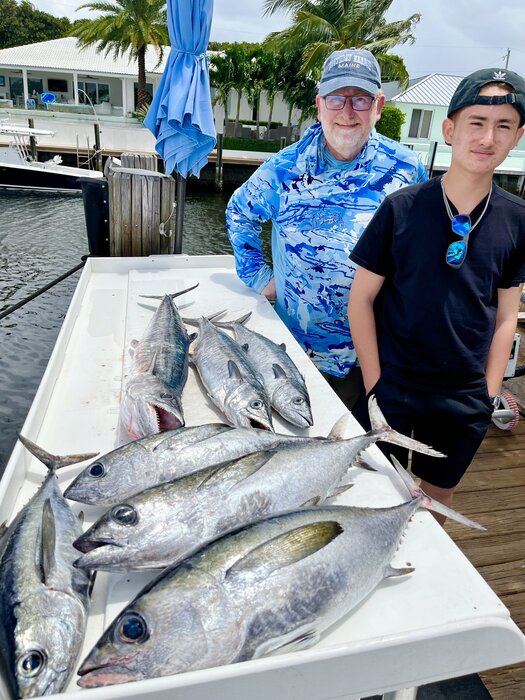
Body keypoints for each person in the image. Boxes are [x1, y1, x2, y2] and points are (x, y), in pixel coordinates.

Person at [348, 67, 525, 521]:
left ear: (518, 136)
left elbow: (507, 316)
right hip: (394, 384)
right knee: (370, 491)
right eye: (476, 123)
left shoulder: (518, 219)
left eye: (503, 125)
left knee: (438, 498)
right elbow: (361, 300)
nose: (487, 137)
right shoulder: (401, 208)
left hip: (464, 396)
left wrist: (487, 394)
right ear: (449, 130)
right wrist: (374, 385)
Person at [226, 48, 427, 409]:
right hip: (293, 351)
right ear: (319, 105)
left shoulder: (407, 170)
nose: (347, 112)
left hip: (372, 354)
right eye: (336, 99)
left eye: (360, 100)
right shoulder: (282, 169)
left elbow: (421, 244)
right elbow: (239, 213)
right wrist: (260, 278)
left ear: (378, 106)